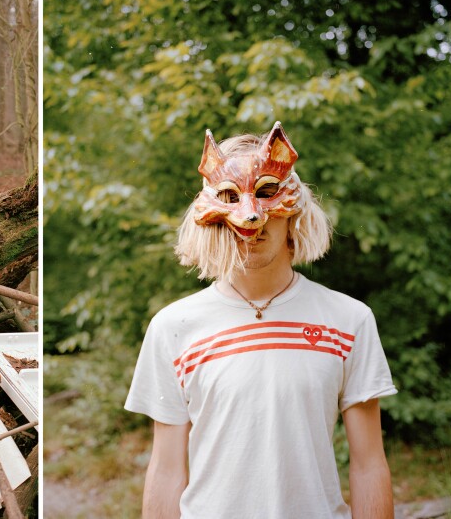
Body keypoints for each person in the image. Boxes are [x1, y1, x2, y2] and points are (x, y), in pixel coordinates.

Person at [124, 122, 397, 519]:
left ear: (295, 207)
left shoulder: (349, 320)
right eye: (231, 197)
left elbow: (370, 464)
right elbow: (166, 470)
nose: (252, 216)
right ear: (210, 214)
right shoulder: (173, 327)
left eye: (267, 191)